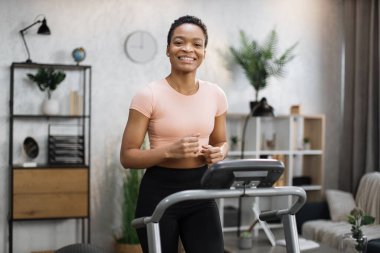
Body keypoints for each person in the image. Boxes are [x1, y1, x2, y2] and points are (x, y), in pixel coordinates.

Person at [120, 15, 228, 253]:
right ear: (168, 49)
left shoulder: (216, 95)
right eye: (179, 42)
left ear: (204, 52)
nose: (188, 49)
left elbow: (221, 141)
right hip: (158, 192)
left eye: (197, 44)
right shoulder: (148, 95)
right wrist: (169, 151)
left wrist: (218, 153)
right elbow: (127, 157)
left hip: (201, 191)